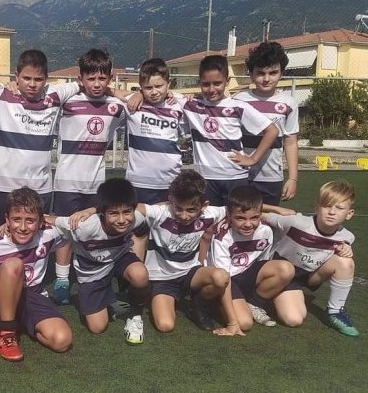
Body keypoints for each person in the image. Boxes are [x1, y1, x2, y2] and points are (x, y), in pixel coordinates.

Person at [52, 48, 126, 305]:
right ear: (80, 78)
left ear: (110, 78)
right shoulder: (67, 103)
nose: (96, 84)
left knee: (96, 231)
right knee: (64, 232)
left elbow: (136, 103)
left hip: (96, 184)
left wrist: (119, 92)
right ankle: (62, 281)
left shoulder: (116, 108)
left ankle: (96, 276)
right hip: (66, 181)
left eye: (102, 78)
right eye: (91, 78)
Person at [133, 170, 242, 336]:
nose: (184, 216)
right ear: (171, 201)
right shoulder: (161, 213)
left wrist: (278, 211)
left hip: (191, 273)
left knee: (221, 277)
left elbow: (243, 209)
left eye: (191, 210)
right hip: (162, 278)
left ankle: (196, 306)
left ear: (204, 205)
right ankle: (158, 298)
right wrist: (93, 210)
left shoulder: (210, 213)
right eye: (179, 208)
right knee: (165, 325)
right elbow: (127, 207)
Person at [0, 187, 72, 362]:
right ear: (7, 220)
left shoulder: (47, 236)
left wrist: (52, 219)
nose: (23, 227)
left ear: (40, 221)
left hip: (32, 296)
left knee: (62, 341)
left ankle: (21, 322)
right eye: (16, 220)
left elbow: (78, 225)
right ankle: (6, 332)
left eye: (30, 220)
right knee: (14, 264)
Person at [0, 49, 79, 226]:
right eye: (26, 78)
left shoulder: (55, 95)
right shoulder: (1, 94)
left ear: (46, 79)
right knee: (4, 236)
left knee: (37, 235)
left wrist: (121, 93)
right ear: (16, 76)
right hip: (4, 187)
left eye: (38, 79)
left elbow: (85, 83)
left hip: (40, 188)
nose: (32, 84)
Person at [49, 178, 150, 345]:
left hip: (119, 259)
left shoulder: (136, 219)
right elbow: (50, 219)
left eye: (127, 212)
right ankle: (107, 301)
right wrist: (6, 226)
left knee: (140, 274)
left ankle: (135, 315)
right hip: (91, 272)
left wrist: (138, 259)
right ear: (102, 212)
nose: (122, 219)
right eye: (114, 213)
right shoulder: (84, 226)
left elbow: (142, 230)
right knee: (97, 327)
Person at [182, 54, 279, 206]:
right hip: (205, 178)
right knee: (209, 217)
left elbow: (272, 130)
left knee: (237, 217)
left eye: (217, 83)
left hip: (235, 177)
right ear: (199, 82)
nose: (211, 89)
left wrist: (253, 159)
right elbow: (162, 93)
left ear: (227, 81)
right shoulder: (191, 105)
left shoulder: (238, 107)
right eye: (206, 84)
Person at [265, 180, 359, 337]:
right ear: (316, 208)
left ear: (349, 214)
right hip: (281, 273)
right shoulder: (297, 222)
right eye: (327, 206)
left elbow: (342, 250)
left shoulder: (347, 237)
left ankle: (335, 312)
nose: (332, 212)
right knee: (293, 319)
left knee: (346, 262)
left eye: (339, 208)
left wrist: (346, 250)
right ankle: (266, 295)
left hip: (309, 276)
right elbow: (261, 216)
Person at [206, 186, 295, 331]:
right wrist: (232, 323)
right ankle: (218, 304)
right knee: (244, 323)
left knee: (286, 268)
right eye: (240, 218)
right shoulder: (222, 237)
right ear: (229, 215)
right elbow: (224, 279)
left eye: (254, 218)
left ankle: (254, 303)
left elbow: (263, 262)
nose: (248, 224)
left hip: (247, 275)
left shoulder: (265, 231)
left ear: (260, 215)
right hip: (227, 281)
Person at [234, 41, 299, 204]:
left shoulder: (289, 103)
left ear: (282, 73)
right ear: (251, 74)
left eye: (273, 73)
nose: (266, 79)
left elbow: (290, 142)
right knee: (239, 216)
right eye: (261, 73)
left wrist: (293, 178)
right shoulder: (239, 100)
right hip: (240, 173)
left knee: (269, 218)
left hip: (271, 176)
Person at [125, 58, 188, 205]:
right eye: (148, 88)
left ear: (168, 84)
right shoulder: (133, 104)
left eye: (159, 86)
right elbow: (112, 92)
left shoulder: (179, 105)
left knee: (169, 220)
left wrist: (176, 95)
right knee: (138, 220)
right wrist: (138, 94)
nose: (154, 92)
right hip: (138, 183)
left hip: (171, 182)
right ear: (141, 87)